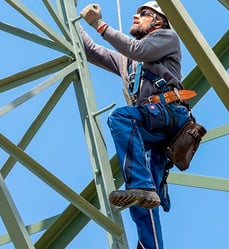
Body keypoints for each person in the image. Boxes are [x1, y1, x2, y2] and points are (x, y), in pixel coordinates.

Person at [80, 2, 196, 248]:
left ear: (158, 21)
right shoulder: (129, 62)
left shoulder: (167, 37)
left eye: (144, 14)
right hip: (151, 123)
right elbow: (90, 50)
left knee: (121, 118)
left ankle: (141, 185)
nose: (136, 15)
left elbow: (137, 49)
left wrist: (99, 24)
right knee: (144, 200)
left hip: (168, 113)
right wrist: (70, 20)